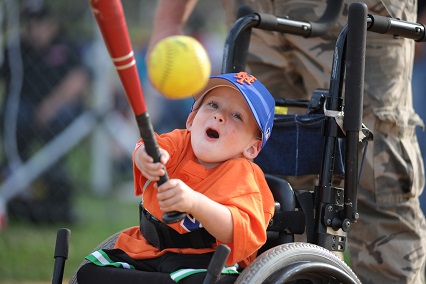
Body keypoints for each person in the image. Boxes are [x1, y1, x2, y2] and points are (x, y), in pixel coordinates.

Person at [147, 1, 426, 283]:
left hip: (351, 10)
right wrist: (168, 22)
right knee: (281, 201)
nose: (217, 118)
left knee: (376, 183)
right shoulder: (178, 142)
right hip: (255, 13)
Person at [76, 72, 276, 283]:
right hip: (147, 249)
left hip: (203, 261)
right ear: (191, 119)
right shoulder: (180, 142)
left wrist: (195, 203)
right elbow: (149, 146)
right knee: (89, 273)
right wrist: (144, 157)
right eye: (213, 105)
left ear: (252, 148)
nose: (219, 116)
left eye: (237, 116)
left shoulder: (243, 175)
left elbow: (236, 229)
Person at [0, 6, 90, 222]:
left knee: (64, 118)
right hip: (25, 108)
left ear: (52, 25)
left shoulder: (65, 47)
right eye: (31, 24)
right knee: (16, 115)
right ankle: (15, 174)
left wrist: (52, 104)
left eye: (40, 23)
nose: (34, 29)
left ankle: (54, 176)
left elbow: (79, 79)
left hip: (58, 109)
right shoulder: (17, 50)